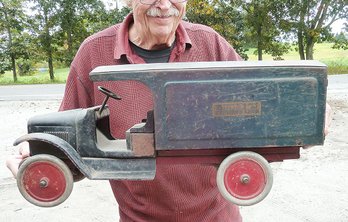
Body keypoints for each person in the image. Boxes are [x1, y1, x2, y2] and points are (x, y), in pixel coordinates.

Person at [5, 0, 332, 221]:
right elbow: (71, 149)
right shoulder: (94, 53)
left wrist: (308, 111)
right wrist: (36, 162)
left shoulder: (211, 45)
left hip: (215, 216)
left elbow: (258, 106)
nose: (164, 4)